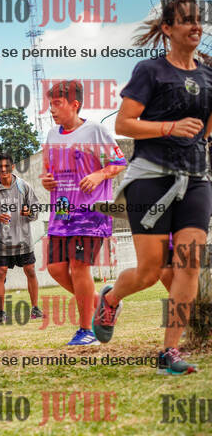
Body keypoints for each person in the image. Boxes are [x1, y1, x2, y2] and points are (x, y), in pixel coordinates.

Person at [92, 0, 212, 374]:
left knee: (189, 264)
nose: (196, 26)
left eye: (199, 20)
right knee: (150, 270)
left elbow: (207, 127)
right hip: (150, 177)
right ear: (167, 28)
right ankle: (110, 299)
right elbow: (124, 124)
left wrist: (198, 143)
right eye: (187, 20)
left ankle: (169, 352)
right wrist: (170, 127)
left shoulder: (208, 75)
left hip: (195, 178)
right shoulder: (150, 70)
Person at [41, 80, 126, 345]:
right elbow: (47, 171)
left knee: (79, 267)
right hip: (61, 211)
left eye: (57, 103)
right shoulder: (51, 135)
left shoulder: (95, 130)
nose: (52, 110)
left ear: (74, 104)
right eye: (50, 104)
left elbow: (119, 162)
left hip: (90, 212)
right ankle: (102, 303)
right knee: (55, 268)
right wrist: (46, 181)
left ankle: (86, 330)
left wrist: (100, 174)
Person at [0, 153, 43, 323]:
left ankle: (35, 308)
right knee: (0, 273)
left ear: (13, 167)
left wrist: (29, 212)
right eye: (0, 167)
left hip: (23, 239)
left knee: (30, 270)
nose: (3, 170)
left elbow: (35, 210)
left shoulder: (23, 186)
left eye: (7, 166)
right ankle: (1, 312)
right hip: (2, 241)